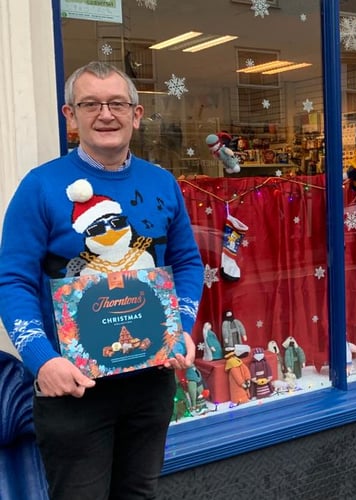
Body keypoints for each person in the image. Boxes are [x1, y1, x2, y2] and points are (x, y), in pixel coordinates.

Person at [0, 61, 204, 499]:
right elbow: (12, 281)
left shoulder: (162, 183)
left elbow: (187, 263)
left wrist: (182, 329)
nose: (105, 114)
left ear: (137, 113)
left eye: (116, 103)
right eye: (89, 104)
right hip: (73, 388)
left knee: (139, 494)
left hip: (151, 382)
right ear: (70, 116)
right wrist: (41, 359)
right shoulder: (40, 187)